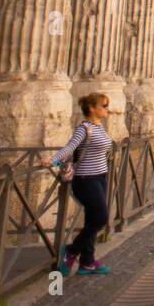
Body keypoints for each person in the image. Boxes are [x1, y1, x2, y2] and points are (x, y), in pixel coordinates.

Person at [49, 93, 115, 276]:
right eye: (104, 105)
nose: (107, 108)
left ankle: (87, 262)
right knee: (100, 217)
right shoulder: (84, 128)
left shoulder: (99, 127)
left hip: (100, 177)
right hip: (86, 179)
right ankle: (71, 250)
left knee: (91, 220)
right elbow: (70, 147)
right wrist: (53, 160)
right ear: (92, 108)